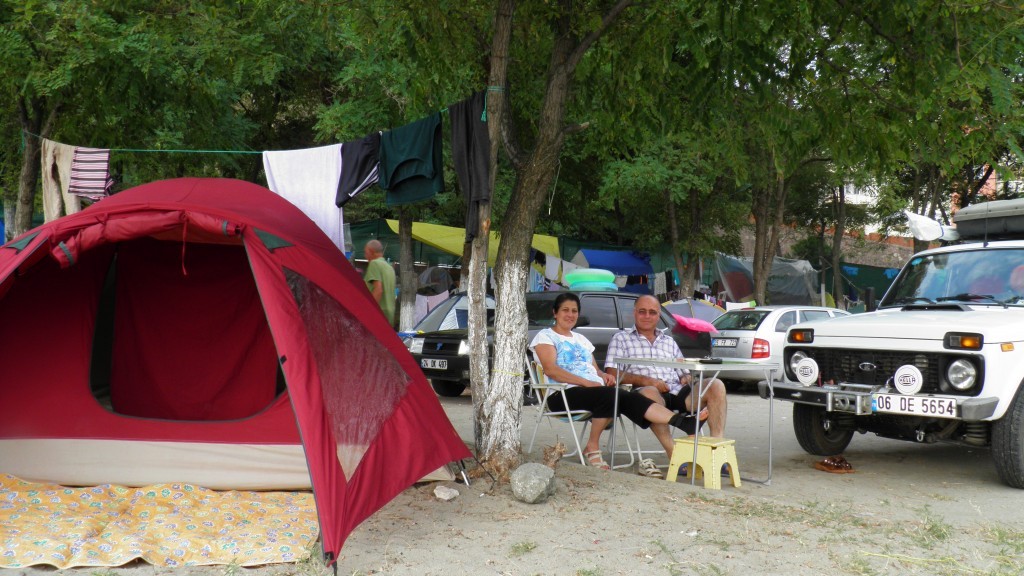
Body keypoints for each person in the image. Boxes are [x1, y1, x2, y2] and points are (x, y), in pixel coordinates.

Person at [529, 293, 698, 470]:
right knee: (613, 395)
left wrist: (603, 376)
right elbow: (551, 370)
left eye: (574, 311)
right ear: (555, 313)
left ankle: (682, 423)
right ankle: (592, 447)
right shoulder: (546, 336)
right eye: (565, 310)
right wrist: (586, 383)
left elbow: (595, 370)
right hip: (562, 393)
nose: (570, 315)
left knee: (625, 396)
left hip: (593, 392)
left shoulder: (581, 339)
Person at [605, 295, 728, 478]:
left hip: (676, 391)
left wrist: (686, 376)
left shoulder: (668, 340)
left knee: (715, 384)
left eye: (652, 312)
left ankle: (716, 452)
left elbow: (682, 371)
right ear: (634, 313)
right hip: (647, 394)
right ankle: (675, 455)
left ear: (658, 315)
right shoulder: (621, 338)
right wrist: (647, 381)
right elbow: (612, 373)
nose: (647, 316)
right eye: (642, 311)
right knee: (649, 393)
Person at [363, 240, 396, 326]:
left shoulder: (374, 264)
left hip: (377, 314)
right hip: (389, 315)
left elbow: (378, 290)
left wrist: (368, 311)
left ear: (372, 252)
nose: (365, 256)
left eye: (366, 253)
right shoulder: (389, 268)